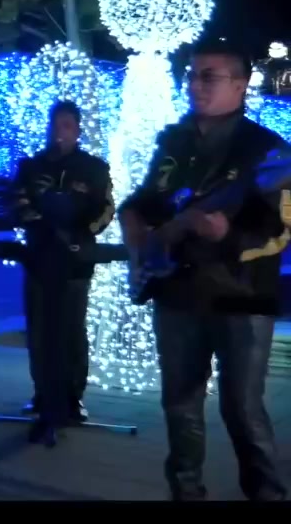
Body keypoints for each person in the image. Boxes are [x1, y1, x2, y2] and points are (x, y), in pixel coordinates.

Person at [119, 41, 290, 501]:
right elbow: (146, 200)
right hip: (177, 292)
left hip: (242, 297)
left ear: (241, 84)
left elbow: (281, 230)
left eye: (208, 76)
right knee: (179, 405)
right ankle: (185, 491)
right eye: (191, 74)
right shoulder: (174, 142)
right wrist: (136, 231)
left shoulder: (269, 151)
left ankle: (268, 495)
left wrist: (228, 236)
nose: (195, 84)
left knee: (243, 410)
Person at [8, 100, 114, 446]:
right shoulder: (31, 166)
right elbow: (17, 203)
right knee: (39, 331)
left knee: (71, 331)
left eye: (67, 125)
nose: (60, 132)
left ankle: (72, 397)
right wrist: (41, 224)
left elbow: (105, 209)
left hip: (75, 263)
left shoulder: (93, 169)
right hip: (39, 259)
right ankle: (43, 393)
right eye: (55, 125)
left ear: (77, 130)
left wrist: (80, 233)